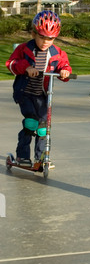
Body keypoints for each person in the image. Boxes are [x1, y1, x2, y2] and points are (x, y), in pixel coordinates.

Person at [6, 10, 72, 170]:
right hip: (25, 93)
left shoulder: (57, 53)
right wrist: (26, 67)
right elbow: (11, 64)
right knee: (31, 123)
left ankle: (41, 157)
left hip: (43, 95)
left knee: (43, 128)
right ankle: (22, 155)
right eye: (42, 37)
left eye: (50, 38)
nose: (45, 42)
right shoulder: (24, 49)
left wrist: (65, 72)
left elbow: (64, 66)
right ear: (33, 33)